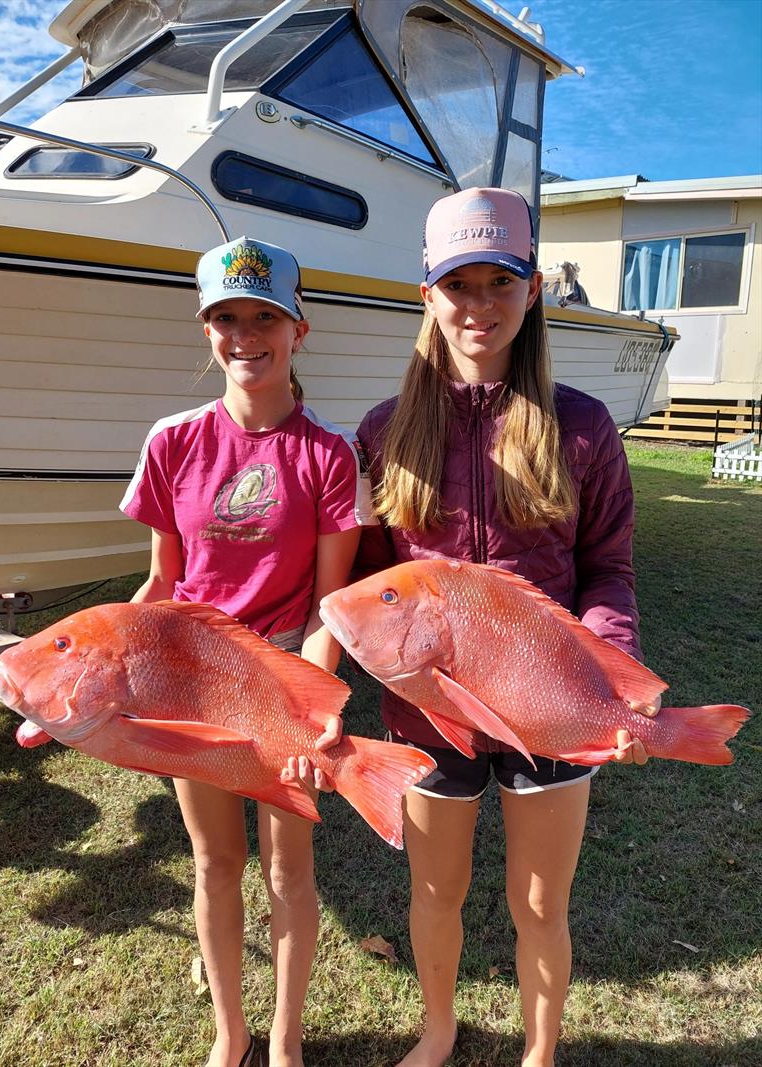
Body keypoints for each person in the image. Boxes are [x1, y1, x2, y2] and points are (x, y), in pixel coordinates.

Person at [354, 188, 658, 1067]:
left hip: (552, 708)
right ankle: (439, 1028)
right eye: (459, 283)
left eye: (500, 281)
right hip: (430, 715)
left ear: (531, 292)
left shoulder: (585, 426)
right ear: (427, 295)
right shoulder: (383, 434)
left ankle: (541, 1049)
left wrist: (615, 681)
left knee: (539, 903)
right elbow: (367, 584)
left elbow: (607, 567)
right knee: (435, 890)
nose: (478, 305)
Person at [120, 236, 374, 1067]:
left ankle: (287, 1038)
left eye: (265, 314)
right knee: (214, 858)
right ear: (205, 329)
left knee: (287, 867)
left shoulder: (329, 453)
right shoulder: (171, 441)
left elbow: (329, 606)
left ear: (300, 328)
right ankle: (231, 1034)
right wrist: (105, 664)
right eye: (226, 316)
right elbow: (163, 583)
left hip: (280, 686)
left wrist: (309, 716)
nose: (245, 333)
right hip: (195, 693)